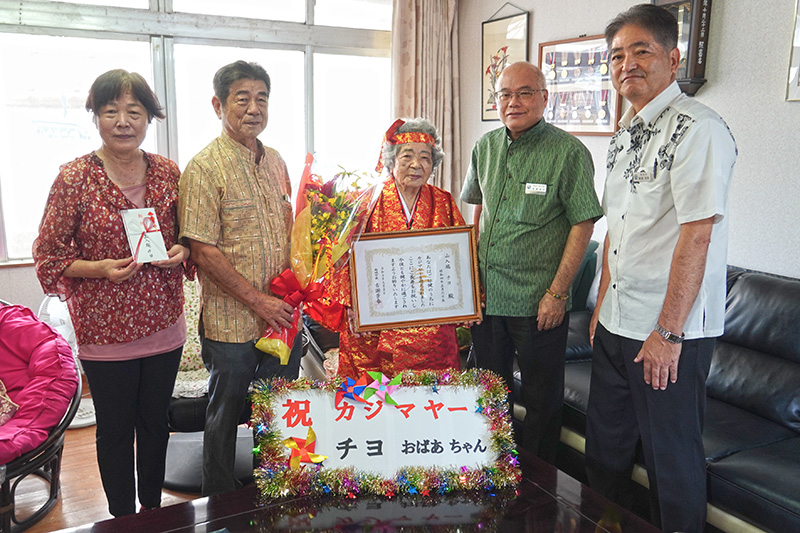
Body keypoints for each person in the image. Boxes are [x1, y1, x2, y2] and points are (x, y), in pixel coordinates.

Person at [584, 5, 737, 532]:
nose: (627, 63)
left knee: (670, 461)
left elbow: (698, 232)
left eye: (641, 50)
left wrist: (668, 332)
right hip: (616, 320)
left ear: (673, 58)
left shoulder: (699, 129)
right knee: (605, 451)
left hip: (667, 332)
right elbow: (618, 230)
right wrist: (601, 302)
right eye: (616, 56)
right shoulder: (625, 133)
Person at [33, 69, 190, 517]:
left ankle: (154, 510)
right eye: (111, 111)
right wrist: (98, 269)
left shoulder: (167, 172)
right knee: (116, 430)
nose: (123, 121)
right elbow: (49, 256)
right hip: (105, 333)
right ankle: (123, 517)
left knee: (155, 425)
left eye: (134, 111)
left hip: (164, 323)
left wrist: (180, 250)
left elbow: (187, 238)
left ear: (148, 118)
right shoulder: (74, 177)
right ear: (96, 117)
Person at [460, 61, 603, 463]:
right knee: (488, 390)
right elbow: (478, 212)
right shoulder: (484, 148)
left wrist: (558, 294)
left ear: (544, 98)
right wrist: (472, 281)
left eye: (524, 93)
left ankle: (539, 484)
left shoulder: (567, 152)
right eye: (505, 94)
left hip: (538, 304)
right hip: (488, 298)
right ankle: (491, 465)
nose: (513, 102)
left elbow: (583, 223)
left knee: (542, 400)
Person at [178, 60, 302, 497]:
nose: (254, 108)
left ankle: (276, 483)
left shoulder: (278, 162)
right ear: (218, 104)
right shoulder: (204, 169)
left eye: (262, 98)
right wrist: (258, 301)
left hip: (282, 318)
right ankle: (220, 495)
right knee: (226, 410)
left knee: (279, 404)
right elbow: (203, 252)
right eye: (242, 99)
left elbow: (296, 235)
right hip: (232, 323)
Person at [322, 118, 467, 379]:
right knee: (373, 405)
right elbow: (338, 260)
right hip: (375, 329)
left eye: (425, 157)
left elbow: (460, 261)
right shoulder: (365, 201)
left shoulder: (443, 202)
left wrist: (468, 301)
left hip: (430, 329)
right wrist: (350, 307)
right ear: (391, 160)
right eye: (407, 155)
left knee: (430, 403)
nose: (416, 164)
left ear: (433, 163)